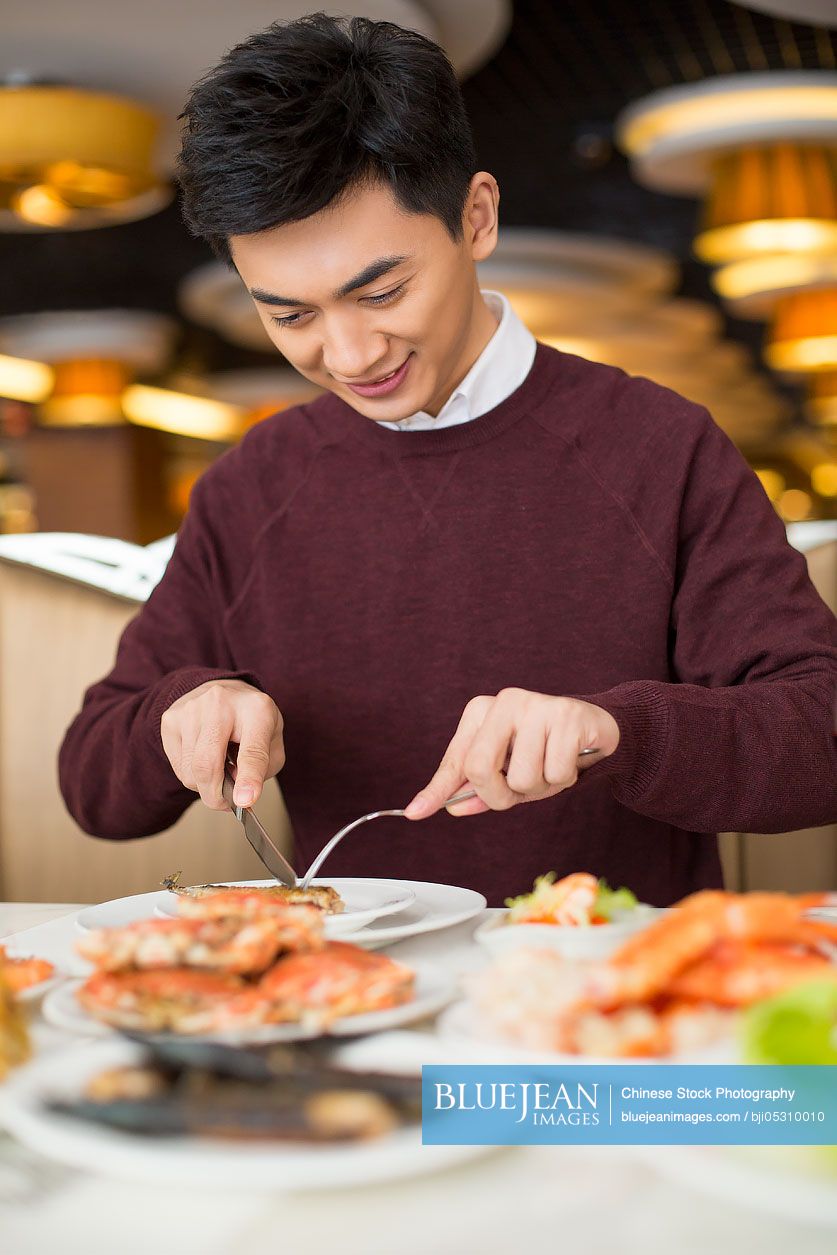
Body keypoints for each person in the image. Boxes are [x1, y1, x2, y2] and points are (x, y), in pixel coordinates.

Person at [58, 14, 837, 907]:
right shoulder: (255, 484)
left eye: (381, 291)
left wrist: (617, 731)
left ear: (475, 217)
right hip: (347, 1004)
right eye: (290, 315)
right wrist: (180, 712)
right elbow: (92, 781)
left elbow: (818, 732)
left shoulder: (657, 444)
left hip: (595, 997)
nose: (348, 357)